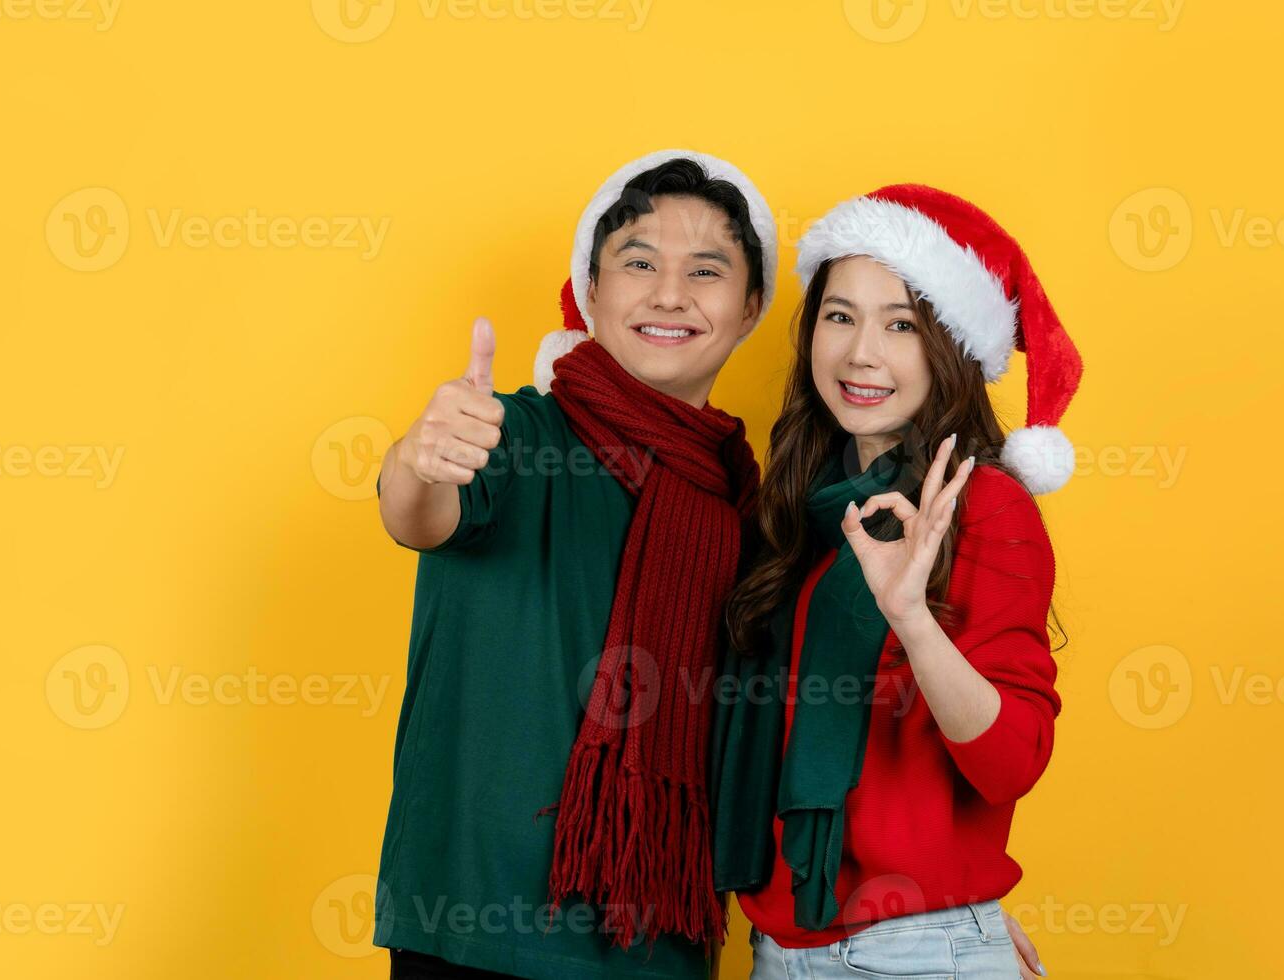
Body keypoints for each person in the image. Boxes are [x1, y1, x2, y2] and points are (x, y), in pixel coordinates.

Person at [373, 150, 778, 980]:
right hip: (475, 933)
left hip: (659, 944)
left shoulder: (745, 510)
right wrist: (421, 458)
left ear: (749, 309)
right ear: (591, 293)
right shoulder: (517, 436)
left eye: (706, 271)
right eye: (638, 264)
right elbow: (418, 515)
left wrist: (950, 912)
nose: (670, 295)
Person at [710, 184, 1083, 980]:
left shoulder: (982, 507)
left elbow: (1013, 760)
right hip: (780, 949)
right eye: (839, 316)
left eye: (901, 324)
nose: (860, 353)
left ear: (949, 348)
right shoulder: (797, 511)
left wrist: (913, 619)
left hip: (914, 953)